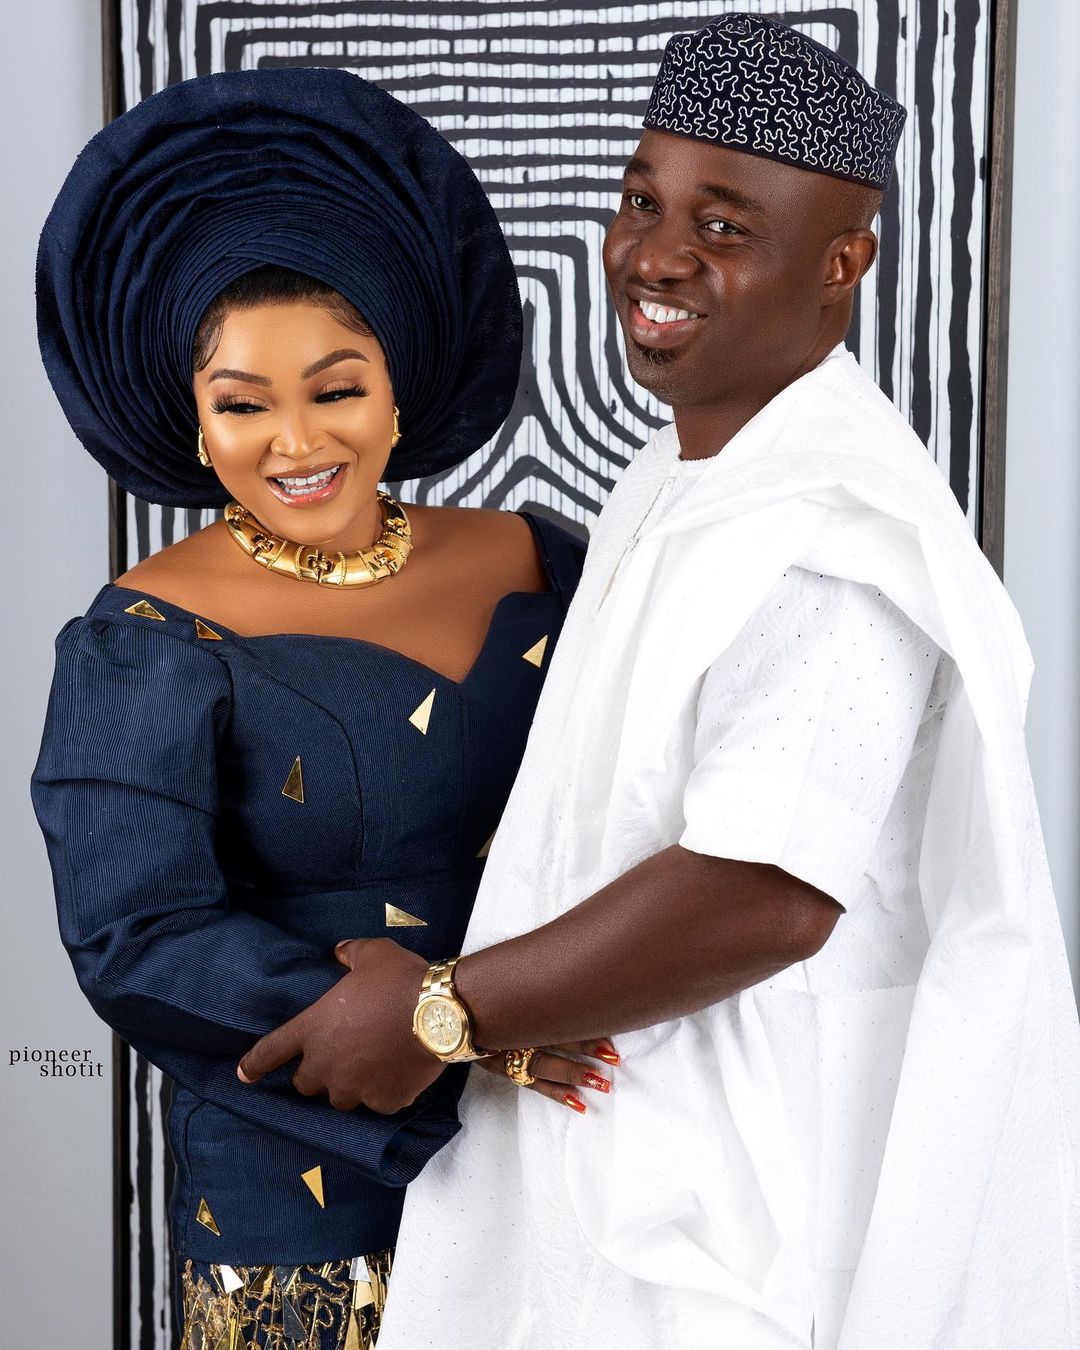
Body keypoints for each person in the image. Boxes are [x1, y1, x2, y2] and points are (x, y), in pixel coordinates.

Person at [236, 16, 1080, 1350]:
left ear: (843, 263)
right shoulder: (681, 473)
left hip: (731, 1220)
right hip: (621, 1144)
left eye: (725, 226)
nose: (656, 255)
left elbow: (765, 893)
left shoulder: (832, 536)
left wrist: (444, 1009)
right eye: (643, 202)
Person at [30, 67, 602, 1350]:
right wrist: (457, 1026)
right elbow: (138, 937)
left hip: (572, 1135)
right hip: (304, 1175)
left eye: (335, 389)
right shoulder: (143, 640)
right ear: (196, 422)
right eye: (243, 404)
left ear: (400, 388)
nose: (294, 442)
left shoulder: (545, 561)